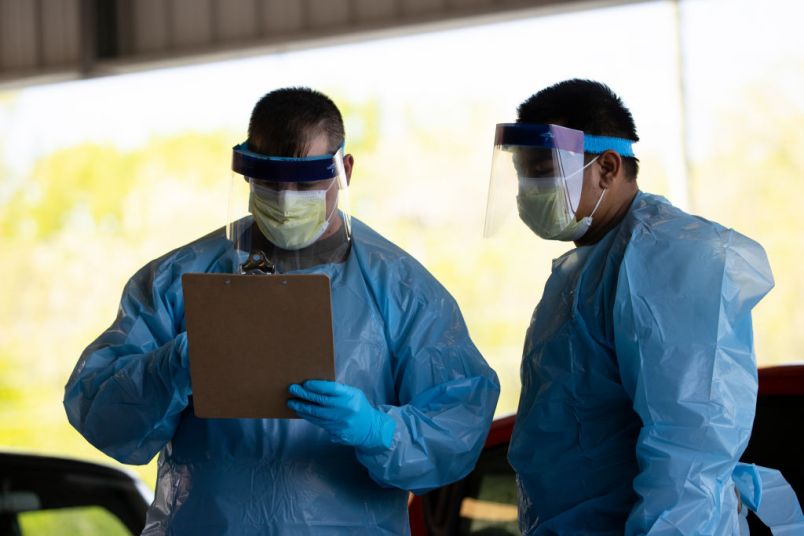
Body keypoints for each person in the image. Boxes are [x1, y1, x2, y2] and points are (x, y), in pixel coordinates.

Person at [65, 87, 500, 535]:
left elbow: (459, 420)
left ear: (344, 169)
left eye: (306, 180)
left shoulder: (403, 290)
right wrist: (168, 368)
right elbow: (99, 411)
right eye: (270, 180)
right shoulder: (176, 282)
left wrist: (379, 430)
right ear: (246, 170)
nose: (287, 198)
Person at [486, 79, 804, 534]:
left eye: (543, 170)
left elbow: (688, 451)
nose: (528, 189)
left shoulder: (664, 257)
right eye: (523, 172)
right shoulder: (590, 264)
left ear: (608, 168)